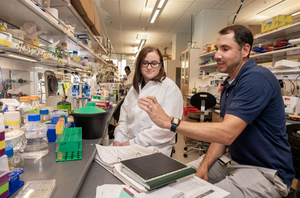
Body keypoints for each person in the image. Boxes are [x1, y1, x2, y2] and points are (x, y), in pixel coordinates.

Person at [137, 25, 295, 197]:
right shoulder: (230, 83)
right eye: (217, 49)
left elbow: (227, 133)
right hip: (233, 162)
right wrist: (204, 165)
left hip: (266, 172)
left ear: (245, 50)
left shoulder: (257, 78)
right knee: (173, 181)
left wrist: (171, 122)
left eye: (225, 49)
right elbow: (221, 136)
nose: (217, 55)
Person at [113, 46, 183, 156]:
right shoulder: (134, 89)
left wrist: (133, 142)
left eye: (154, 63)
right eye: (145, 63)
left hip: (155, 148)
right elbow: (123, 120)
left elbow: (166, 130)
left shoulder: (170, 88)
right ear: (139, 65)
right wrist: (118, 139)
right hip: (128, 143)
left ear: (160, 65)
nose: (149, 67)